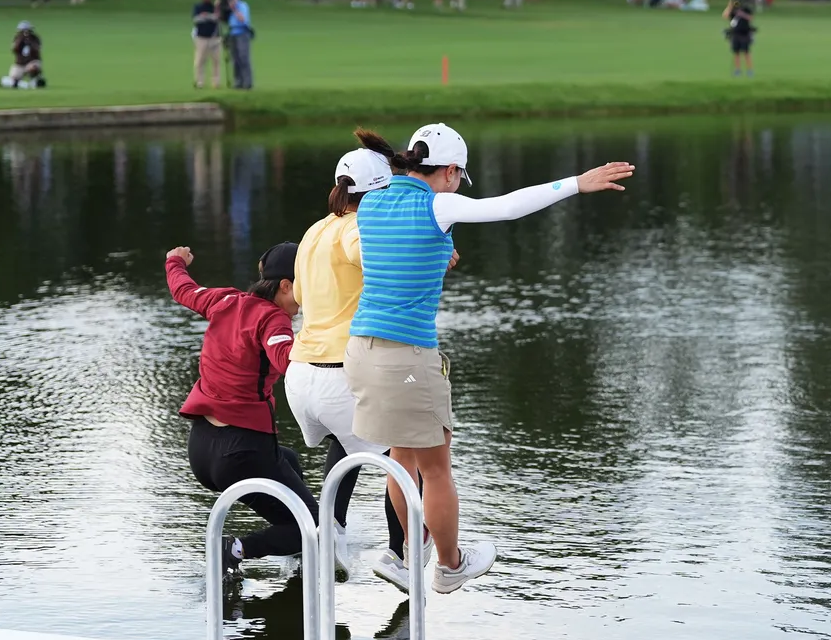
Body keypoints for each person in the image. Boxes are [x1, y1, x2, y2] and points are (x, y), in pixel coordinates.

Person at [345, 124, 636, 593]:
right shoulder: (436, 204)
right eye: (457, 178)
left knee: (401, 458)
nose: (456, 186)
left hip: (361, 350)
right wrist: (576, 184)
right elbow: (507, 207)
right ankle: (450, 565)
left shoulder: (373, 201)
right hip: (407, 357)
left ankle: (411, 548)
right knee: (435, 468)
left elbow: (398, 250)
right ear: (449, 171)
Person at [287, 130, 438, 586]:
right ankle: (401, 555)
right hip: (342, 374)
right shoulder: (360, 229)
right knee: (406, 452)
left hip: (301, 377)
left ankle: (329, 532)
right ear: (379, 191)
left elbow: (298, 296)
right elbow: (379, 259)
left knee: (348, 439)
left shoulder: (314, 230)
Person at [165, 242, 321, 582]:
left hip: (202, 450)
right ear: (285, 285)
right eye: (307, 286)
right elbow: (286, 361)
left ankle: (293, 553)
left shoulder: (224, 300)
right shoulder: (275, 321)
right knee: (312, 526)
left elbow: (183, 290)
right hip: (243, 451)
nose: (309, 298)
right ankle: (237, 549)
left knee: (290, 460)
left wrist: (175, 261)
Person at [192, 0, 222, 89]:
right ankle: (199, 81)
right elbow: (196, 19)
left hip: (214, 37)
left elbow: (217, 18)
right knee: (200, 61)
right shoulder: (198, 7)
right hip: (201, 38)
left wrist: (207, 16)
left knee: (216, 61)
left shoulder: (215, 7)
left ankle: (216, 82)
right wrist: (207, 17)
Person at [224, 0, 253, 89]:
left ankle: (247, 82)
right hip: (232, 33)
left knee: (243, 57)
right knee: (235, 59)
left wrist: (234, 9)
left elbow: (243, 19)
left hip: (242, 33)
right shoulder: (228, 8)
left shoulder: (242, 6)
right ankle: (238, 81)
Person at [0, 21, 44, 88]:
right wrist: (21, 40)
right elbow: (15, 49)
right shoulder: (17, 39)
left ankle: (34, 80)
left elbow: (37, 49)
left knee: (34, 67)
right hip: (20, 63)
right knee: (13, 78)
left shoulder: (35, 38)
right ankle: (22, 84)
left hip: (32, 61)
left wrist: (29, 42)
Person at [723, 0, 755, 77]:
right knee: (736, 53)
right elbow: (725, 16)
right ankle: (737, 70)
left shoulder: (746, 9)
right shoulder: (733, 10)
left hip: (745, 33)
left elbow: (750, 18)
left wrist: (741, 14)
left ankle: (750, 70)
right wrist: (729, 6)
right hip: (735, 33)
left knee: (746, 52)